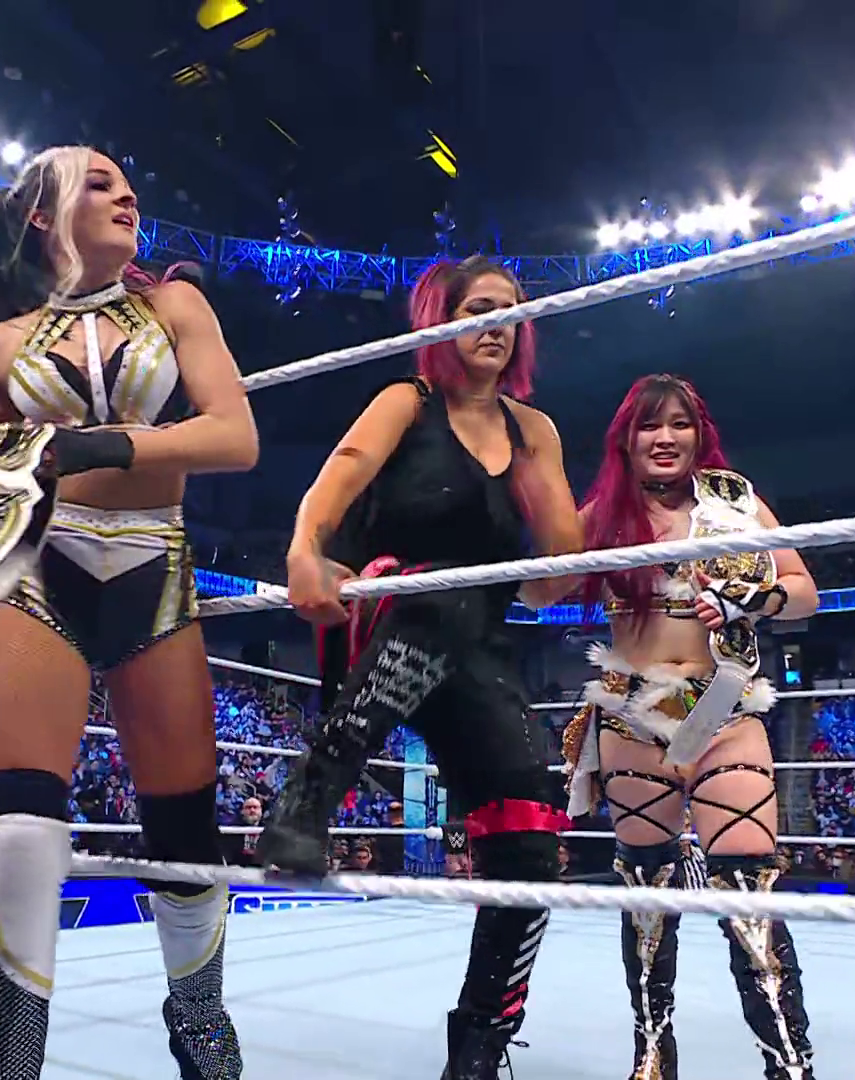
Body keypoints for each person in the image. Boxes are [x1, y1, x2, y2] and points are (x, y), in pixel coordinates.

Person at [0, 146, 259, 1079]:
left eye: (129, 182)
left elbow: (234, 436)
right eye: (99, 183)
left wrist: (100, 446)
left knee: (185, 836)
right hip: (40, 568)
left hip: (153, 562)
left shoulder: (175, 307)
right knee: (16, 835)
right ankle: (4, 1069)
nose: (127, 194)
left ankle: (202, 1033)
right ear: (43, 214)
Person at [259, 255, 584, 1077]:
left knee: (531, 837)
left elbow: (557, 570)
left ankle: (479, 1047)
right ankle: (310, 795)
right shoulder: (406, 402)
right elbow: (336, 481)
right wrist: (303, 552)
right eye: (479, 308)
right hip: (384, 620)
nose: (497, 324)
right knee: (445, 598)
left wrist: (591, 523)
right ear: (444, 320)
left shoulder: (532, 431)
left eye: (510, 309)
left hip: (478, 648)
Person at [561, 374, 819, 1080]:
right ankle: (652, 1052)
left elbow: (804, 590)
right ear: (626, 438)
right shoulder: (603, 513)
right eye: (650, 425)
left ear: (699, 433)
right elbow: (539, 583)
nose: (665, 437)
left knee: (749, 888)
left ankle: (789, 1062)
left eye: (679, 423)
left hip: (724, 710)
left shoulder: (736, 504)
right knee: (646, 895)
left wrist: (751, 599)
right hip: (633, 718)